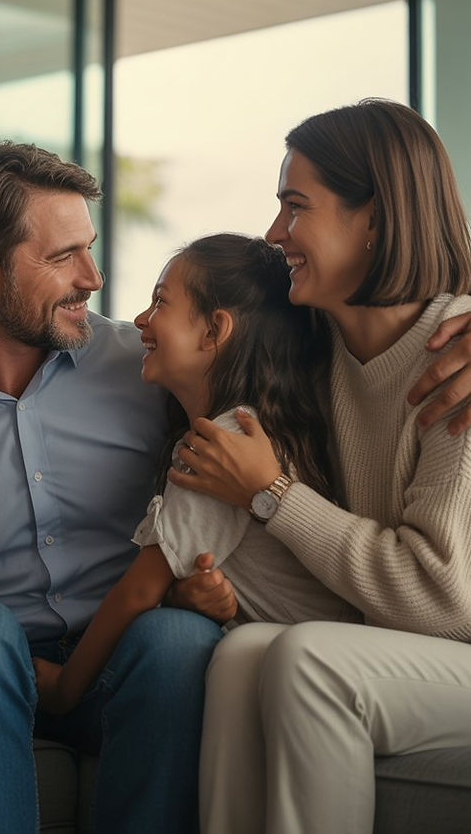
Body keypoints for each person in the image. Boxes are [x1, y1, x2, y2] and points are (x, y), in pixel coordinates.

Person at [0, 141, 230, 834]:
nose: (93, 277)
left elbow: (284, 370)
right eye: (63, 256)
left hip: (131, 656)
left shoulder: (143, 367)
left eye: (89, 248)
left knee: (178, 641)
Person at [166, 99, 471, 834]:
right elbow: (182, 328)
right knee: (242, 658)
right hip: (398, 649)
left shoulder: (457, 363)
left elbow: (442, 598)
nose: (275, 236)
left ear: (374, 218)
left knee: (310, 660)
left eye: (294, 207)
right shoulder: (317, 350)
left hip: (452, 643)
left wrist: (272, 493)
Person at [33, 233, 360, 716]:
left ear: (214, 332)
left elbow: (138, 591)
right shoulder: (268, 424)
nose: (142, 320)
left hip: (317, 680)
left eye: (160, 301)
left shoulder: (222, 444)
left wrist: (65, 690)